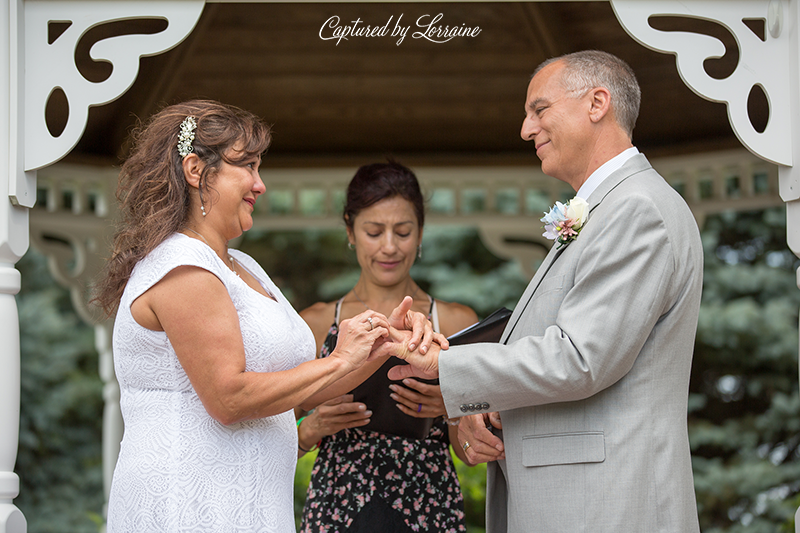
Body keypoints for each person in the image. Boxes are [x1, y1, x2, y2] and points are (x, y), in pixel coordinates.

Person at [386, 50, 703, 532]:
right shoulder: (608, 207)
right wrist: (490, 407)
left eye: (539, 109)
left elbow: (581, 358)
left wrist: (446, 367)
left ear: (597, 103)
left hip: (609, 504)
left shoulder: (638, 209)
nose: (525, 129)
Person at [92, 100, 435, 533]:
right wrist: (340, 360)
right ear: (196, 170)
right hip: (192, 505)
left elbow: (306, 388)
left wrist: (385, 343)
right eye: (248, 167)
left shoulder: (243, 266)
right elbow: (229, 398)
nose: (260, 184)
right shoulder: (181, 268)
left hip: (250, 505)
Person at [296, 162, 479, 533]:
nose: (390, 247)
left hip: (431, 502)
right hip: (338, 503)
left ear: (421, 233)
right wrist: (310, 427)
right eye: (374, 232)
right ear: (350, 231)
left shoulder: (455, 321)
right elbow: (273, 429)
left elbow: (470, 453)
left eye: (404, 231)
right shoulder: (315, 322)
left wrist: (452, 408)